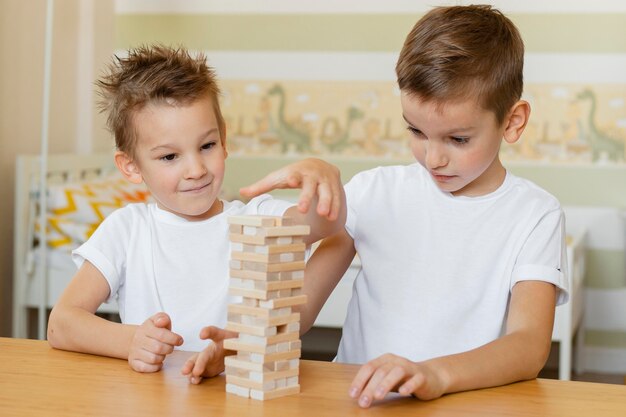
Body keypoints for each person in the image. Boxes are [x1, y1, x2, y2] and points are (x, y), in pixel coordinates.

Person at [294, 5, 568, 408]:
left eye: (457, 139)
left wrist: (435, 373)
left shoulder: (535, 215)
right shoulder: (374, 193)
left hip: (466, 405)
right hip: (359, 402)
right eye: (417, 131)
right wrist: (244, 342)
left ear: (512, 122)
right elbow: (294, 302)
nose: (433, 158)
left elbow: (528, 346)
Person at [47, 45, 346, 382]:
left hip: (235, 394)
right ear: (131, 167)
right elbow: (61, 324)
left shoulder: (255, 217)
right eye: (169, 157)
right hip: (150, 400)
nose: (196, 169)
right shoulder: (127, 230)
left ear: (224, 140)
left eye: (207, 146)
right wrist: (131, 341)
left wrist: (321, 175)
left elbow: (329, 224)